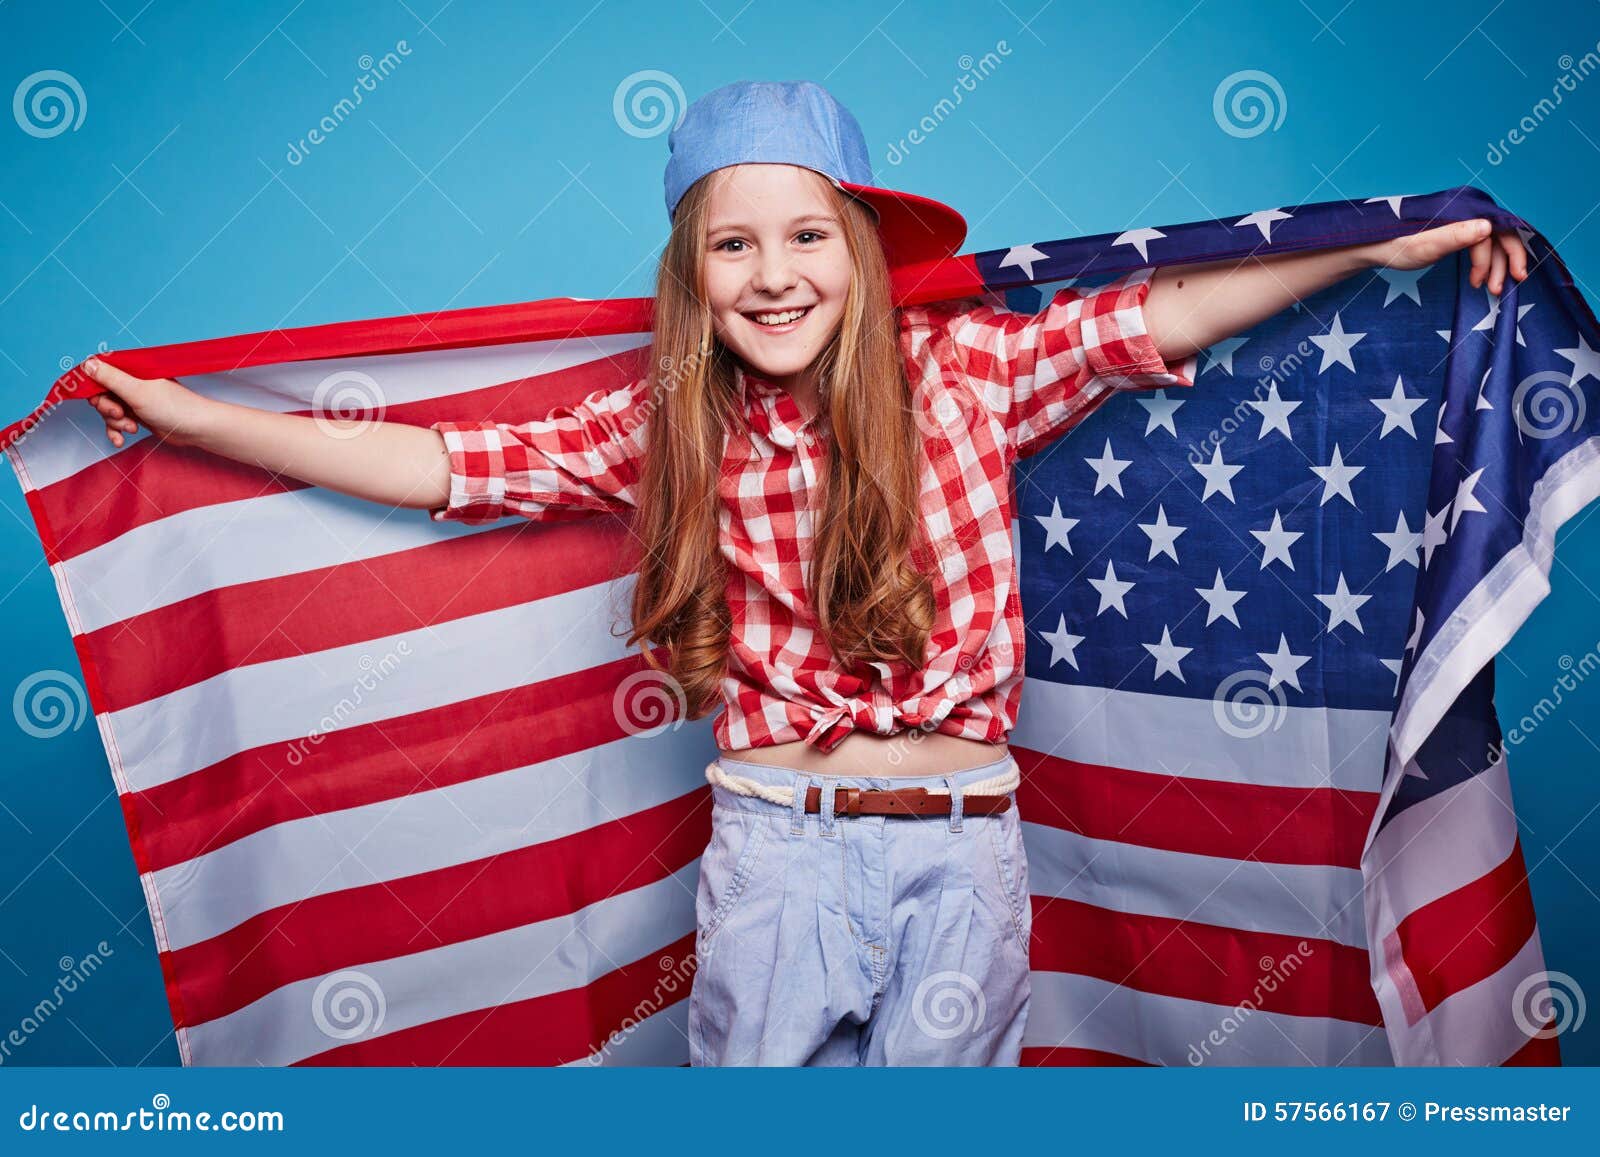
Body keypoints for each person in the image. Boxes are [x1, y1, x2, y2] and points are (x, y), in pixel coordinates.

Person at [77, 80, 1528, 1066]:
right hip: (779, 852)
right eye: (732, 244)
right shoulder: (670, 428)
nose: (773, 274)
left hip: (963, 846)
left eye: (806, 236)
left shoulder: (963, 373)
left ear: (861, 247)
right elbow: (450, 466)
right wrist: (201, 417)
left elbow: (1169, 307)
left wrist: (1384, 241)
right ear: (691, 275)